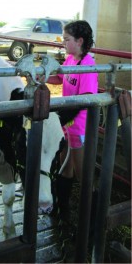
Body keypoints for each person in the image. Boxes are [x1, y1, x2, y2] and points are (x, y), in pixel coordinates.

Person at [47, 20, 98, 221]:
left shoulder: (87, 65)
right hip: (67, 121)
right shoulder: (69, 60)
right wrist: (42, 78)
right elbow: (60, 79)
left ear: (79, 41)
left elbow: (85, 97)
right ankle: (63, 207)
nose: (64, 43)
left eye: (67, 40)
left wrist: (64, 115)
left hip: (78, 124)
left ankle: (92, 217)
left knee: (81, 171)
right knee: (63, 163)